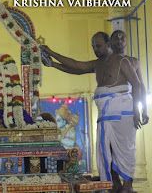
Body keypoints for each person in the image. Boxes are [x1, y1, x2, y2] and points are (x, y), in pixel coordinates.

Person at [41, 32, 142, 193]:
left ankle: (128, 187)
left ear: (108, 45)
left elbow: (137, 85)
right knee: (106, 152)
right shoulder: (97, 64)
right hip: (104, 115)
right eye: (93, 46)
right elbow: (75, 66)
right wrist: (52, 61)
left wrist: (138, 111)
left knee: (125, 150)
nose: (96, 49)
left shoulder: (122, 61)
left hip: (123, 113)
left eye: (99, 46)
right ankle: (114, 185)